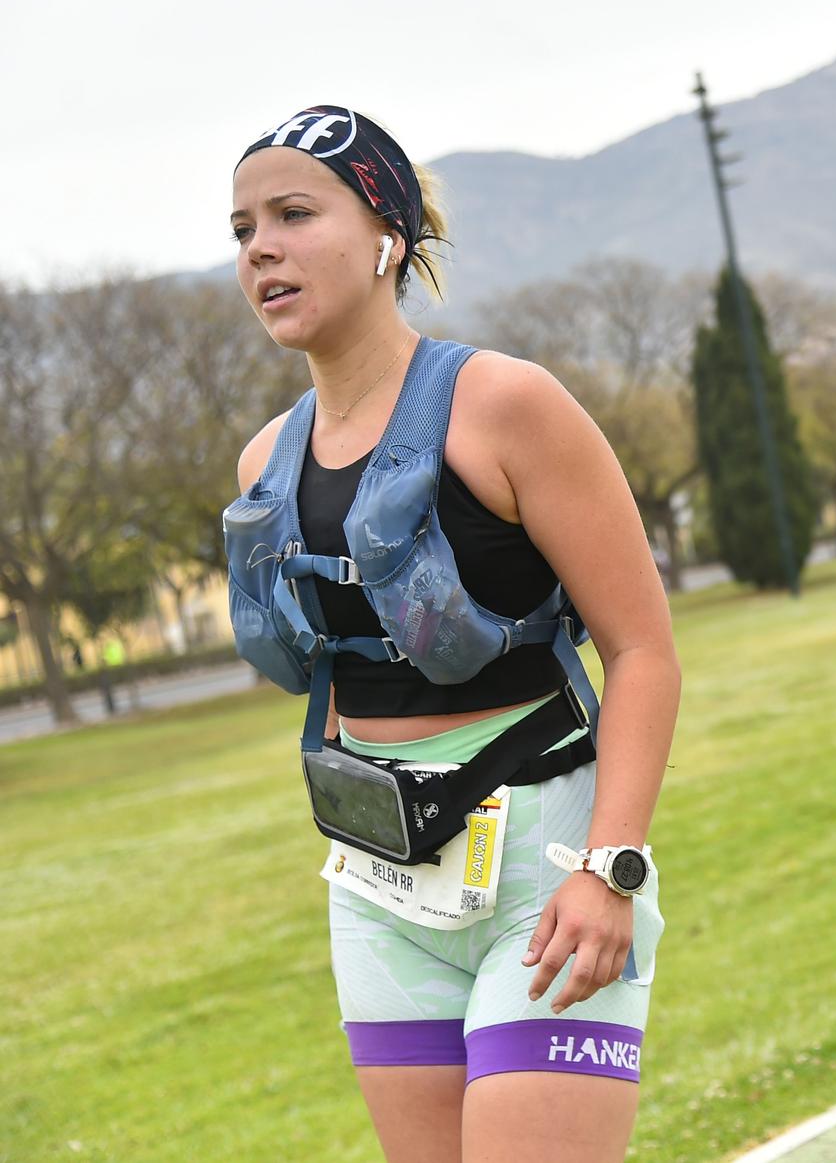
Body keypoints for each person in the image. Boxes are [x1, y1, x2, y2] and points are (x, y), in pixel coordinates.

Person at [227, 106, 681, 1160]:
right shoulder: (264, 463)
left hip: (546, 865)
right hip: (382, 887)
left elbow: (645, 649)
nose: (261, 247)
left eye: (295, 213)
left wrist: (611, 864)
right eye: (243, 226)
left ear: (387, 233)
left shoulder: (506, 404)